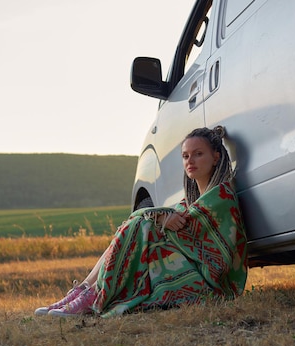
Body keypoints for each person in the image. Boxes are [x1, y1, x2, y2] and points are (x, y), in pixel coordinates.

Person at [34, 126, 248, 318]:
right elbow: (177, 226)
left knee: (140, 225)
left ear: (216, 157)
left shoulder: (221, 197)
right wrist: (160, 217)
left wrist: (158, 217)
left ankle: (92, 295)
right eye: (185, 156)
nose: (189, 161)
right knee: (141, 223)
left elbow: (196, 239)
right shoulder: (191, 201)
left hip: (209, 281)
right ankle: (84, 292)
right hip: (187, 265)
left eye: (198, 154)